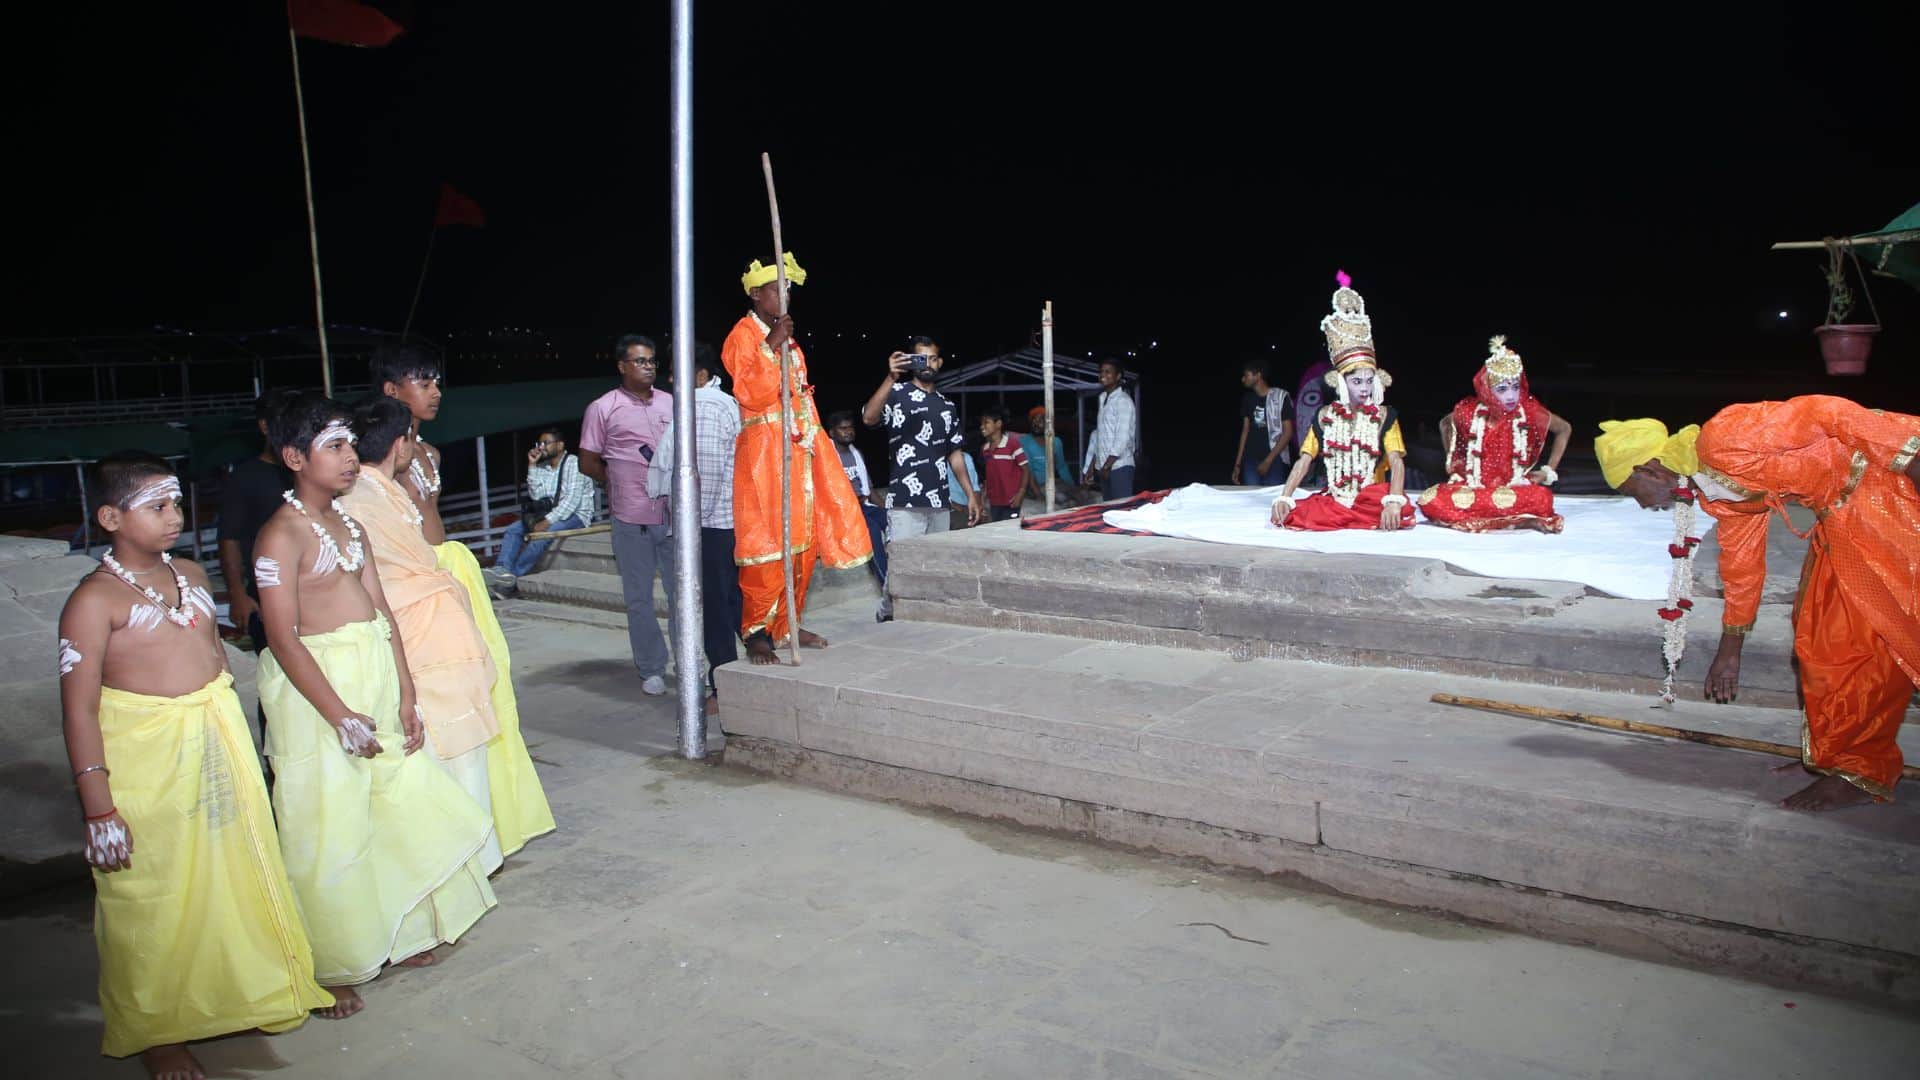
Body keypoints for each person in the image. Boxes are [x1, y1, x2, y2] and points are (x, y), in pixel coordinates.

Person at [58, 452, 332, 1078]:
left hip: (214, 744)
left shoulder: (192, 574)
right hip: (143, 762)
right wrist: (98, 807)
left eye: (177, 503)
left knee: (235, 871)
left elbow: (213, 659)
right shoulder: (92, 603)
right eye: (157, 506)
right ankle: (160, 1031)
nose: (174, 517)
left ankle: (255, 988)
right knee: (152, 893)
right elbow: (78, 712)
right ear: (109, 517)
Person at [252, 392, 496, 1018]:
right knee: (327, 823)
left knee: (392, 806)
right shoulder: (278, 537)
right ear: (292, 457)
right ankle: (330, 961)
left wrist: (406, 691)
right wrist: (338, 713)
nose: (349, 457)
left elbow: (382, 610)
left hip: (375, 672)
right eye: (333, 446)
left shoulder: (351, 526)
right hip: (318, 688)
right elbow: (282, 637)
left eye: (350, 445)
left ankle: (398, 928)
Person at [1601, 400, 1920, 811]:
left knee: (1872, 640)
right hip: (1842, 519)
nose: (1642, 505)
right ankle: (1835, 758)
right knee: (1823, 644)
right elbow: (1742, 564)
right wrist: (1729, 650)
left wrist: (1910, 458)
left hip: (1887, 497)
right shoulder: (1716, 495)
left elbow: (1826, 412)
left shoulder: (1724, 438)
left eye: (1632, 493)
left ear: (1650, 469)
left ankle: (1856, 770)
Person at [340, 397, 504, 874]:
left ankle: (464, 860)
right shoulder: (367, 496)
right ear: (401, 443)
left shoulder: (372, 491)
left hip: (420, 624)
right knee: (445, 747)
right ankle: (459, 863)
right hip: (419, 628)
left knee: (445, 744)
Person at [724, 255, 874, 660]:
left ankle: (786, 622)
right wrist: (771, 344)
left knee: (801, 543)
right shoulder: (743, 334)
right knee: (767, 542)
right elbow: (751, 392)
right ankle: (756, 630)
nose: (786, 296)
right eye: (778, 289)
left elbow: (802, 395)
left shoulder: (789, 339)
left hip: (799, 449)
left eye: (788, 289)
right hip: (765, 454)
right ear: (757, 295)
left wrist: (816, 445)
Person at [1269, 272, 1413, 531]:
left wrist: (1393, 500)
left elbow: (1397, 460)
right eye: (1357, 382)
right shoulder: (1325, 417)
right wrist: (1285, 496)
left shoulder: (1384, 416)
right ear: (1341, 383)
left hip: (1373, 501)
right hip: (1336, 501)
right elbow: (1304, 460)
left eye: (1370, 381)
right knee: (1296, 518)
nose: (1365, 388)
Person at [579, 334, 678, 694]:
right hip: (630, 517)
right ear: (622, 366)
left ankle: (688, 663)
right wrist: (616, 481)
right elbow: (588, 461)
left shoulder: (672, 403)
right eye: (640, 361)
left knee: (682, 594)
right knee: (639, 598)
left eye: (652, 361)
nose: (649, 366)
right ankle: (651, 668)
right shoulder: (603, 408)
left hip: (672, 515)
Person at [648, 344, 744, 707]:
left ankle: (723, 686)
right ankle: (738, 675)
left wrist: (689, 530)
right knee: (728, 603)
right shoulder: (719, 402)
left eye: (677, 372)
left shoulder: (702, 406)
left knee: (715, 610)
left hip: (709, 525)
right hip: (723, 524)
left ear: (700, 375)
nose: (670, 380)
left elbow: (705, 474)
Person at [862, 334, 983, 622]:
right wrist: (890, 377)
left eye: (932, 358)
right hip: (905, 498)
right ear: (910, 362)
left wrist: (971, 494)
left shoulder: (947, 406)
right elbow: (868, 417)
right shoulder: (897, 393)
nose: (927, 364)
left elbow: (955, 454)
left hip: (939, 499)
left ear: (939, 363)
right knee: (901, 563)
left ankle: (926, 615)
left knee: (936, 564)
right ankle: (888, 611)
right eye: (920, 358)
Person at [1417, 336, 1572, 533]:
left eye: (1515, 387)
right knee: (1432, 499)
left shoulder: (1528, 411)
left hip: (1514, 489)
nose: (1510, 396)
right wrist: (1456, 464)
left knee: (1542, 498)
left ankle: (1492, 517)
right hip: (1476, 489)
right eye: (1502, 389)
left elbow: (1564, 429)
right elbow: (1444, 424)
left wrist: (1548, 471)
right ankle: (1510, 518)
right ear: (1487, 389)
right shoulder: (1469, 412)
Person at [216, 388, 295, 655]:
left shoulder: (307, 472)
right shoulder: (245, 477)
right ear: (265, 426)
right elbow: (229, 537)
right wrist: (237, 594)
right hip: (267, 596)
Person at [489, 425, 596, 596]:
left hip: (577, 515)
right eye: (539, 443)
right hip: (551, 514)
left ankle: (512, 580)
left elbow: (571, 502)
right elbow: (536, 496)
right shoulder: (544, 468)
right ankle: (501, 571)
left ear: (560, 445)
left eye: (546, 443)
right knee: (513, 530)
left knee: (542, 536)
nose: (541, 447)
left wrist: (546, 522)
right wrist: (532, 466)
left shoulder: (574, 464)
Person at [371, 344, 451, 543]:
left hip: (442, 561)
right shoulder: (382, 455)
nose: (437, 393)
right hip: (408, 566)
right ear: (391, 390)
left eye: (436, 384)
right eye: (425, 385)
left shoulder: (431, 453)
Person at [828, 408, 890, 588]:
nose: (849, 431)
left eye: (850, 428)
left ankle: (902, 575)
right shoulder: (828, 457)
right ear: (832, 432)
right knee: (872, 531)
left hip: (865, 506)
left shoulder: (857, 454)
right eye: (843, 428)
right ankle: (886, 585)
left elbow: (869, 490)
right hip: (844, 510)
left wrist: (888, 509)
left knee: (893, 521)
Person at [1083, 358, 1138, 499]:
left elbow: (1123, 437)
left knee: (1121, 511)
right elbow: (1100, 436)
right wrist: (1091, 466)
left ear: (1118, 376)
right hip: (1104, 468)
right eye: (1101, 371)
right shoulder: (1102, 398)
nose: (1103, 375)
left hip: (1119, 467)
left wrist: (1107, 466)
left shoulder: (1123, 401)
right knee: (1108, 511)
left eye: (1108, 372)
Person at [1233, 361, 1292, 486]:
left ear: (1257, 375)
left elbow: (1288, 432)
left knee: (1272, 500)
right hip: (1251, 459)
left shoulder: (1280, 397)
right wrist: (1238, 464)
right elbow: (1245, 432)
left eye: (1246, 375)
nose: (1243, 379)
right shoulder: (1248, 399)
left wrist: (1268, 460)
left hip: (1274, 458)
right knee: (1252, 500)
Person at [978, 406, 1032, 521]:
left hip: (1011, 500)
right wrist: (983, 497)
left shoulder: (1012, 444)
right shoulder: (985, 448)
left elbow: (1025, 469)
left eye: (986, 423)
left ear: (998, 424)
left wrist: (1020, 494)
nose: (982, 426)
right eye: (981, 423)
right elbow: (988, 475)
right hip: (994, 502)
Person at [1020, 405, 1075, 507]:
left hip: (1054, 484)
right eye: (1034, 419)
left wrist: (1073, 487)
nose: (1036, 423)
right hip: (1036, 486)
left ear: (1049, 423)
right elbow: (1028, 471)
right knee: (1062, 499)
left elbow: (1061, 467)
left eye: (1041, 419)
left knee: (1078, 498)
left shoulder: (1056, 441)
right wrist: (1039, 495)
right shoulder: (1024, 441)